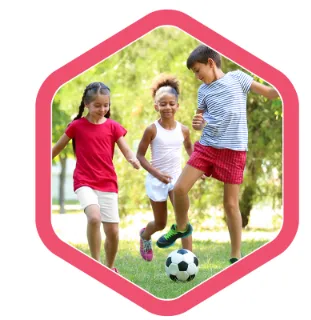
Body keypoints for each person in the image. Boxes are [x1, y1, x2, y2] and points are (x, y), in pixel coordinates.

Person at [156, 45, 279, 264]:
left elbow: (270, 93)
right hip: (208, 146)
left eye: (197, 70)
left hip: (234, 150)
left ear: (211, 63)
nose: (196, 76)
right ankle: (181, 228)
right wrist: (198, 123)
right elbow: (200, 122)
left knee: (231, 205)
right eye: (193, 72)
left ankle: (235, 256)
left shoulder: (238, 78)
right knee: (180, 188)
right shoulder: (203, 91)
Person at [52, 82, 140, 273]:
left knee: (113, 233)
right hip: (84, 181)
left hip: (107, 182)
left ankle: (109, 268)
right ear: (86, 104)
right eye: (97, 105)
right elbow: (56, 148)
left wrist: (133, 160)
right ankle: (96, 264)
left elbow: (126, 149)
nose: (102, 109)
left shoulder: (113, 127)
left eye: (106, 105)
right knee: (93, 218)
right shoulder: (77, 126)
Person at [136, 74, 194, 261]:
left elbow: (190, 149)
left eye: (171, 103)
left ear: (177, 105)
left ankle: (189, 257)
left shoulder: (183, 130)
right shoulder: (152, 129)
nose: (167, 107)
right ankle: (145, 235)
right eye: (163, 104)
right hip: (156, 179)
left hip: (177, 179)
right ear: (156, 106)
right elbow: (140, 156)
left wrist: (196, 168)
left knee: (182, 219)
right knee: (160, 223)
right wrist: (157, 173)